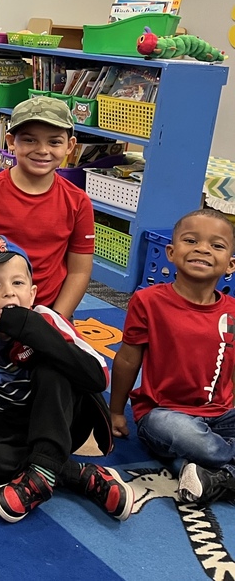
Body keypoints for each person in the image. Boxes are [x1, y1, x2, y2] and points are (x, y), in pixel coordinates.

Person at [0, 235, 133, 523]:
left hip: (60, 422)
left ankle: (41, 472)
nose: (8, 293)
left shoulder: (47, 320)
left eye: (17, 283)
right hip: (4, 426)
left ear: (32, 293)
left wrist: (35, 332)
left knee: (52, 366)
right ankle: (76, 474)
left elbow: (98, 377)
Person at [110, 208, 235, 506]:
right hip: (164, 414)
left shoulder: (231, 310)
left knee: (203, 436)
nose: (202, 249)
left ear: (230, 265)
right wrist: (116, 411)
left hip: (221, 414)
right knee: (183, 433)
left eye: (216, 245)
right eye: (191, 240)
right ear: (171, 252)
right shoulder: (149, 301)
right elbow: (128, 359)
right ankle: (227, 463)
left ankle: (218, 477)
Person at [0, 95, 94, 319]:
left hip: (51, 309)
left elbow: (79, 270)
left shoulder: (78, 201)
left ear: (70, 146)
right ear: (11, 141)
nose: (42, 150)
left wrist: (56, 319)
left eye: (54, 142)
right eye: (30, 140)